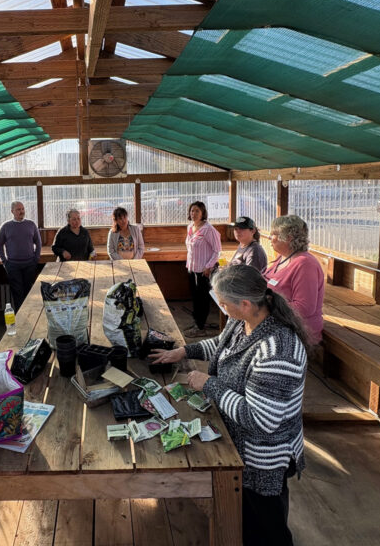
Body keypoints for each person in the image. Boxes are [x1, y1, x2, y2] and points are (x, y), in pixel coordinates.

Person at [150, 264, 307, 546]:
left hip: (263, 458)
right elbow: (223, 345)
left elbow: (260, 419)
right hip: (237, 442)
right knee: (241, 520)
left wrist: (208, 384)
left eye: (222, 303)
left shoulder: (278, 352)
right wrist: (184, 351)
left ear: (245, 303)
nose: (219, 307)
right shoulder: (244, 320)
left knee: (266, 527)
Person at [262, 214, 325, 347]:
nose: (269, 237)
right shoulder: (282, 257)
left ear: (288, 238)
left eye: (274, 233)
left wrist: (264, 309)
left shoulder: (305, 264)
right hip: (277, 325)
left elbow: (304, 307)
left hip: (296, 332)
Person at [184, 201, 222, 338]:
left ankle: (200, 327)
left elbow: (217, 250)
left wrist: (209, 266)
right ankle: (197, 323)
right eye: (192, 211)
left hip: (204, 270)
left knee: (203, 298)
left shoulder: (208, 229)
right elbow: (190, 248)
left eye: (197, 211)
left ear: (203, 213)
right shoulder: (190, 227)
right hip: (192, 268)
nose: (193, 214)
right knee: (195, 297)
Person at [0, 201, 41, 309]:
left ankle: (29, 318)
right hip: (13, 266)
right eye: (18, 209)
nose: (21, 211)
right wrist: (4, 261)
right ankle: (20, 320)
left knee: (29, 293)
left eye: (22, 209)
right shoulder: (6, 226)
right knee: (17, 294)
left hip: (30, 264)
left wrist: (36, 259)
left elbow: (38, 242)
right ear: (12, 211)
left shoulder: (31, 224)